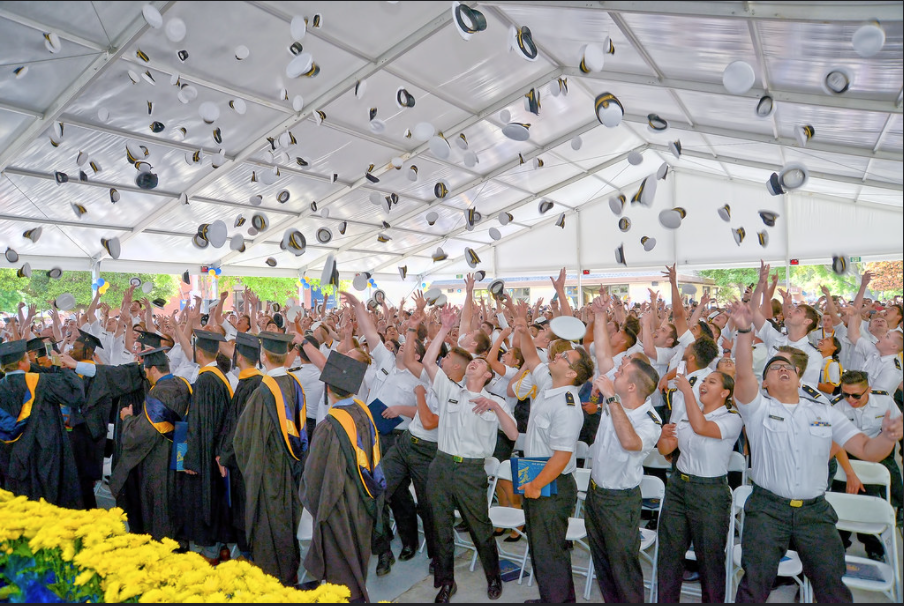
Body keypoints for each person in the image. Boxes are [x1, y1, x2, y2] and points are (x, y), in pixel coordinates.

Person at [729, 302, 903, 603]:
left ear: (799, 377)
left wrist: (888, 437)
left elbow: (866, 449)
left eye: (788, 368)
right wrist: (745, 331)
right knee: (754, 586)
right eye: (774, 367)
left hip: (814, 512)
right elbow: (743, 374)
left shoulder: (826, 411)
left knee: (831, 586)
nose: (782, 369)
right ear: (765, 384)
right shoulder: (757, 409)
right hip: (768, 510)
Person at [426, 306, 518, 603]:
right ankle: (446, 582)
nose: (473, 365)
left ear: (489, 374)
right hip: (441, 465)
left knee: (480, 528)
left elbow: (514, 434)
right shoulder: (450, 389)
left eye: (479, 363)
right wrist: (443, 329)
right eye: (471, 362)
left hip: (470, 470)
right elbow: (429, 362)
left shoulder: (494, 400)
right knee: (440, 526)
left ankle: (493, 577)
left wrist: (496, 408)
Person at [512, 303, 595, 603]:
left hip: (552, 480)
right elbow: (531, 356)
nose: (556, 354)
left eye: (564, 357)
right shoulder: (550, 381)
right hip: (537, 470)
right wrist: (523, 330)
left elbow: (561, 457)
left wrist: (535, 484)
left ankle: (557, 600)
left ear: (572, 372)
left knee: (550, 550)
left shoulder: (568, 406)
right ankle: (554, 598)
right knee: (540, 546)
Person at [341, 291, 422, 577]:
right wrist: (359, 306)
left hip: (398, 439)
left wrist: (401, 408)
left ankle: (409, 539)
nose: (400, 348)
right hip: (371, 433)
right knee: (375, 491)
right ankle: (383, 545)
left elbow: (427, 414)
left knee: (395, 492)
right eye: (398, 346)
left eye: (407, 348)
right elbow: (370, 333)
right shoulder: (385, 362)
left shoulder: (418, 377)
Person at [585, 320, 663, 604]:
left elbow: (631, 443)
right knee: (602, 563)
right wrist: (600, 315)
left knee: (624, 568)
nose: (614, 371)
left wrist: (611, 400)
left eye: (621, 372)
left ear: (631, 386)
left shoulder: (649, 419)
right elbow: (604, 355)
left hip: (619, 502)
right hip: (596, 493)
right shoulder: (615, 398)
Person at [302, 351, 383, 602]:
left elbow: (314, 480)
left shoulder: (330, 426)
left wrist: (316, 506)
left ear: (328, 389)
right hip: (364, 501)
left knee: (342, 566)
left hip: (339, 506)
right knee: (358, 556)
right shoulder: (363, 411)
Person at [656, 371, 744, 602]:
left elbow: (702, 427)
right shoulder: (687, 413)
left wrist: (686, 392)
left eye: (711, 382)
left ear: (725, 393)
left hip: (709, 492)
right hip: (678, 486)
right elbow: (666, 450)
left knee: (710, 559)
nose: (704, 384)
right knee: (669, 555)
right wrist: (664, 437)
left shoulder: (731, 418)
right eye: (704, 381)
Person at [234, 331, 307, 585]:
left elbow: (245, 440)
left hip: (269, 470)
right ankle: (291, 568)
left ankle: (274, 575)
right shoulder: (294, 383)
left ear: (264, 357)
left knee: (269, 522)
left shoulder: (263, 393)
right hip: (292, 464)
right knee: (287, 519)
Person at [111, 347, 191, 540]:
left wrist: (128, 419)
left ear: (153, 369)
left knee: (159, 505)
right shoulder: (182, 384)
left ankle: (159, 546)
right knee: (175, 501)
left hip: (158, 458)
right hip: (179, 453)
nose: (146, 376)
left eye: (146, 371)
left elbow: (139, 434)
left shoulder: (158, 394)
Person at [0, 339, 84, 508]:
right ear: (23, 363)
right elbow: (76, 394)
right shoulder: (41, 382)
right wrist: (61, 366)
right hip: (44, 449)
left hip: (10, 454)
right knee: (47, 493)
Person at [831, 370, 903, 550]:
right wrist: (851, 474)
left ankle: (875, 548)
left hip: (878, 450)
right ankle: (840, 545)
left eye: (856, 395)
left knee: (871, 497)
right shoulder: (835, 406)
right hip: (847, 453)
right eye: (845, 394)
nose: (850, 399)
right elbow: (836, 444)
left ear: (868, 390)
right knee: (844, 498)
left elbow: (897, 428)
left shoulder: (884, 401)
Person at [180, 330, 234, 564]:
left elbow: (198, 424)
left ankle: (207, 551)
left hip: (204, 453)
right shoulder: (220, 376)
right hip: (217, 451)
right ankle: (221, 547)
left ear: (199, 352)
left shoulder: (205, 380)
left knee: (204, 501)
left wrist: (191, 459)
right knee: (218, 499)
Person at [216, 331, 263, 557]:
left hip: (243, 461)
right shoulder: (257, 382)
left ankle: (248, 554)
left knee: (244, 506)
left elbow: (238, 426)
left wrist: (224, 456)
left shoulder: (250, 385)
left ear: (240, 358)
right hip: (250, 459)